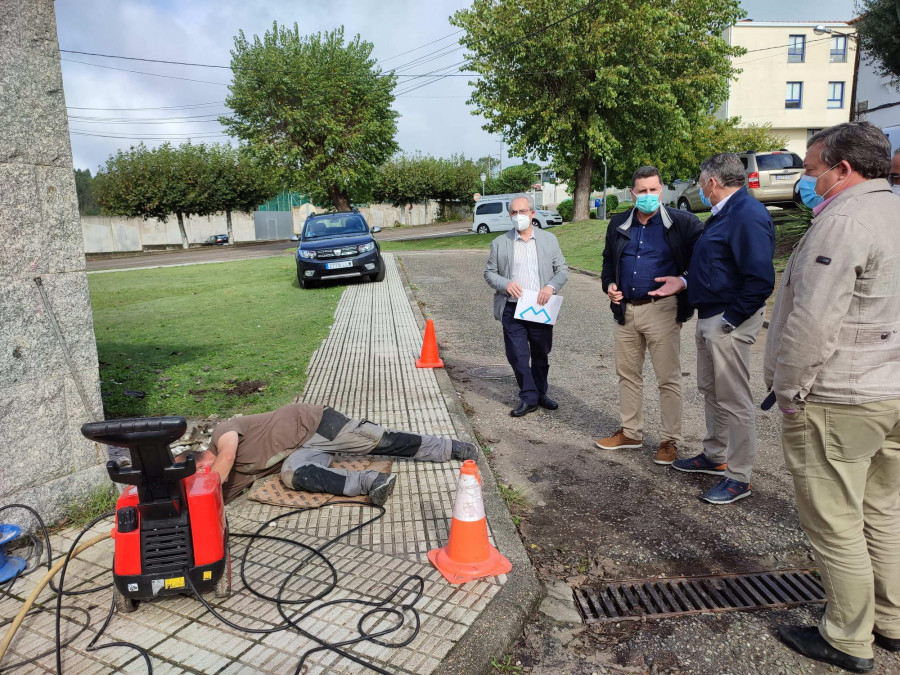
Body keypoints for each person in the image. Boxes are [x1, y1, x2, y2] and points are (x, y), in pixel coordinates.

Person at [764, 122, 900, 673]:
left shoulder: (842, 222)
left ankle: (847, 636)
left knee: (835, 518)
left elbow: (812, 322)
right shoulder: (893, 213)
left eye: (812, 169)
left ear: (843, 169)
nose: (806, 180)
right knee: (884, 510)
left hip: (841, 396)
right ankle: (891, 621)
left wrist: (789, 389)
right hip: (891, 392)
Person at [653, 153, 775, 504]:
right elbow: (717, 264)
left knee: (734, 398)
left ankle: (739, 477)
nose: (701, 188)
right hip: (711, 315)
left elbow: (760, 279)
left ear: (712, 182)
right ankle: (715, 456)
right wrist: (685, 280)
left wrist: (730, 320)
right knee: (711, 388)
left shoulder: (747, 215)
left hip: (727, 320)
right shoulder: (724, 214)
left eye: (702, 182)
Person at [596, 166, 703, 465]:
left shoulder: (682, 223)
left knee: (667, 378)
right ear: (632, 194)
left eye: (653, 190)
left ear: (662, 189)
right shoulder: (619, 223)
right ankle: (631, 433)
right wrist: (609, 285)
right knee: (628, 375)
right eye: (642, 191)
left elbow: (703, 262)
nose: (648, 196)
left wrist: (682, 280)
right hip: (626, 311)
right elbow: (607, 260)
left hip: (663, 312)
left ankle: (670, 440)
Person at [189, 403, 479, 506]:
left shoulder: (222, 434)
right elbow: (219, 503)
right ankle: (371, 482)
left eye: (200, 472)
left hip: (312, 423)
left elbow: (224, 459)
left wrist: (205, 490)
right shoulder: (231, 478)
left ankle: (449, 447)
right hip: (302, 452)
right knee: (291, 476)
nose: (205, 478)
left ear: (202, 463)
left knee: (380, 442)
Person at [484, 194, 569, 417]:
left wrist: (550, 287)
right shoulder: (500, 243)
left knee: (541, 353)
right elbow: (489, 273)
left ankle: (541, 393)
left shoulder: (549, 240)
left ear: (532, 213)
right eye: (514, 212)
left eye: (523, 211)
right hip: (512, 307)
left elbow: (562, 270)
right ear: (510, 215)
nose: (518, 216)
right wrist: (505, 284)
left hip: (540, 307)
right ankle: (528, 396)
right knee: (517, 355)